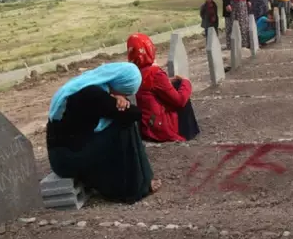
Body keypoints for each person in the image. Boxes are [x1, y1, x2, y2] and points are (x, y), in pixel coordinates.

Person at [46, 62, 161, 204]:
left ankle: (142, 179)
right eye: (126, 92)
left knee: (119, 121)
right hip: (67, 161)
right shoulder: (93, 94)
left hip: (64, 154)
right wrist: (119, 100)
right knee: (125, 125)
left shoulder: (86, 84)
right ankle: (134, 188)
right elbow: (135, 114)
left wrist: (117, 98)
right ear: (120, 85)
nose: (125, 96)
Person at [126, 32, 200, 142]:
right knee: (181, 88)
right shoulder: (154, 73)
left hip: (148, 124)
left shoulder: (133, 71)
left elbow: (150, 90)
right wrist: (186, 82)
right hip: (160, 127)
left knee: (176, 85)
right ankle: (189, 133)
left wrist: (167, 81)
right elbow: (179, 101)